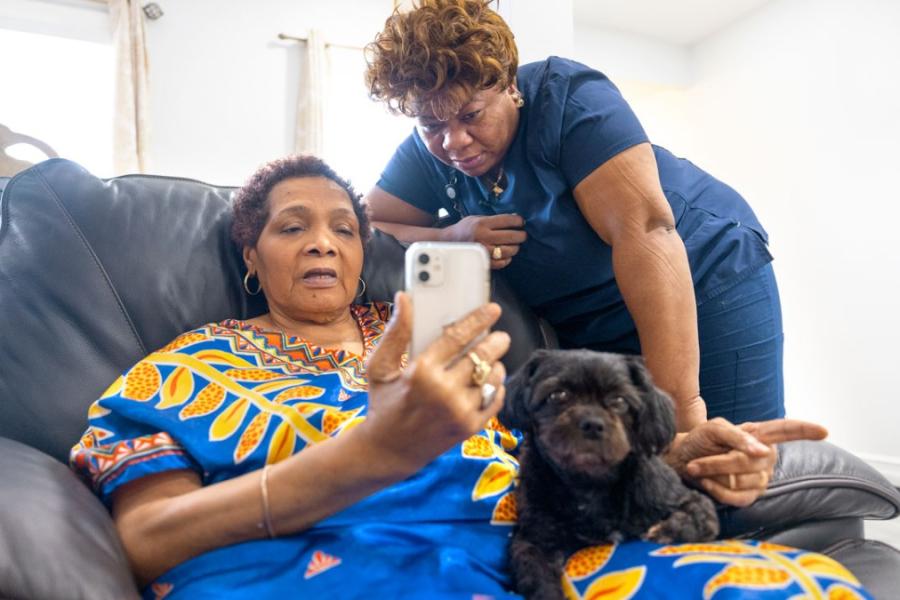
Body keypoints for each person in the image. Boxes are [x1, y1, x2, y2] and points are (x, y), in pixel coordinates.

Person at [69, 155, 839, 599]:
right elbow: (142, 539)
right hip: (344, 569)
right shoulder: (187, 364)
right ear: (250, 255)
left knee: (789, 584)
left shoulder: (444, 344)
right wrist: (372, 453)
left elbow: (549, 459)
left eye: (344, 226)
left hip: (543, 549)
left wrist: (678, 457)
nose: (324, 244)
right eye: (291, 226)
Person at [364, 0, 784, 433]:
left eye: (471, 115)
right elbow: (364, 226)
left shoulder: (567, 99)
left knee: (727, 465)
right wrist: (451, 236)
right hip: (590, 322)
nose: (454, 141)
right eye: (431, 125)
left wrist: (677, 412)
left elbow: (646, 232)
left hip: (701, 279)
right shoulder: (427, 149)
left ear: (509, 86)